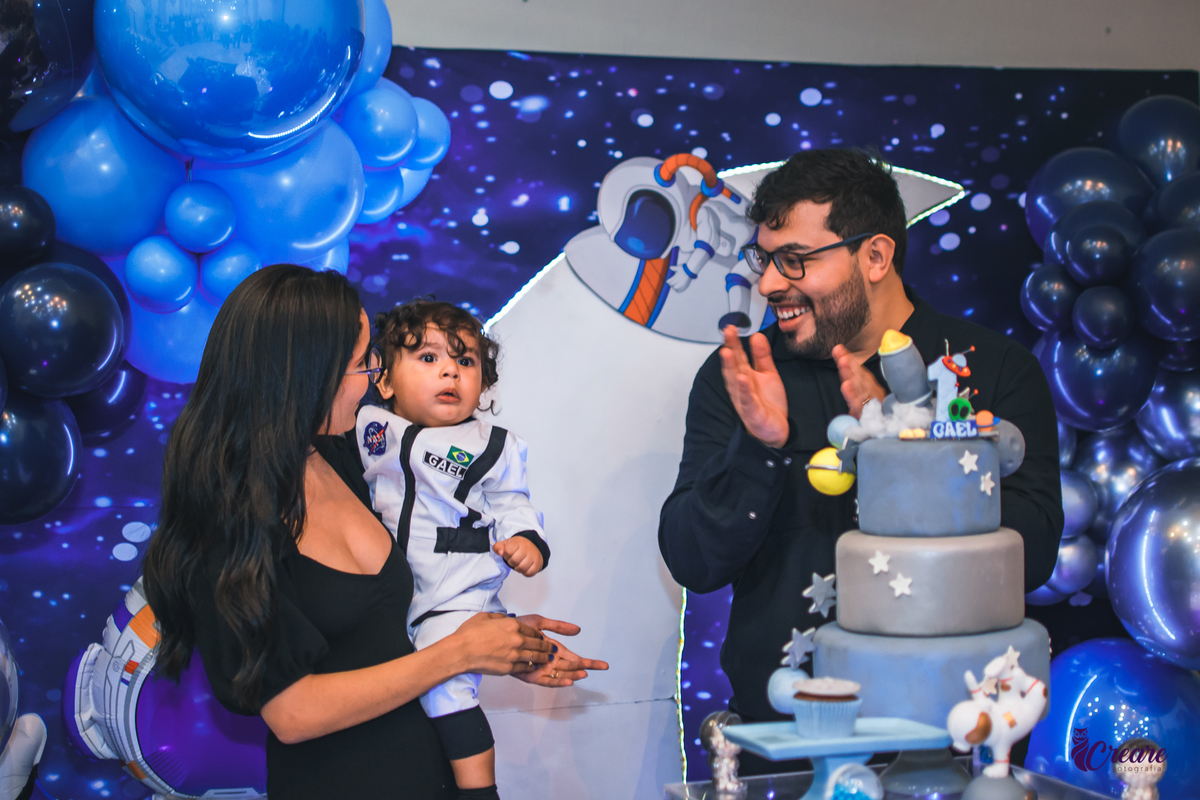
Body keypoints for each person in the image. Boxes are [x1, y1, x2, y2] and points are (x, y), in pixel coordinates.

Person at [657, 149, 1063, 771]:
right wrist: (759, 447)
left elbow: (1029, 559)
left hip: (948, 746)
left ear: (874, 257)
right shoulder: (744, 376)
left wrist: (911, 444)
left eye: (795, 260)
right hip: (790, 744)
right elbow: (694, 560)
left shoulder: (992, 369)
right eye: (766, 259)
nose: (768, 284)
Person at [143, 266, 606, 800]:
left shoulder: (350, 460)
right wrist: (457, 654)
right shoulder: (227, 519)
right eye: (362, 363)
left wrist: (493, 638)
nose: (370, 380)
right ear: (306, 373)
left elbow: (391, 626)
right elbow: (292, 712)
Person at [355, 300, 549, 799]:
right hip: (394, 595)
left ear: (483, 386)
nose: (449, 370)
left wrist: (527, 540)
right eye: (428, 359)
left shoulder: (491, 445)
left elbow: (512, 501)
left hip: (455, 594)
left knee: (446, 689)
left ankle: (479, 790)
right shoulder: (369, 428)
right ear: (385, 380)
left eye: (465, 362)